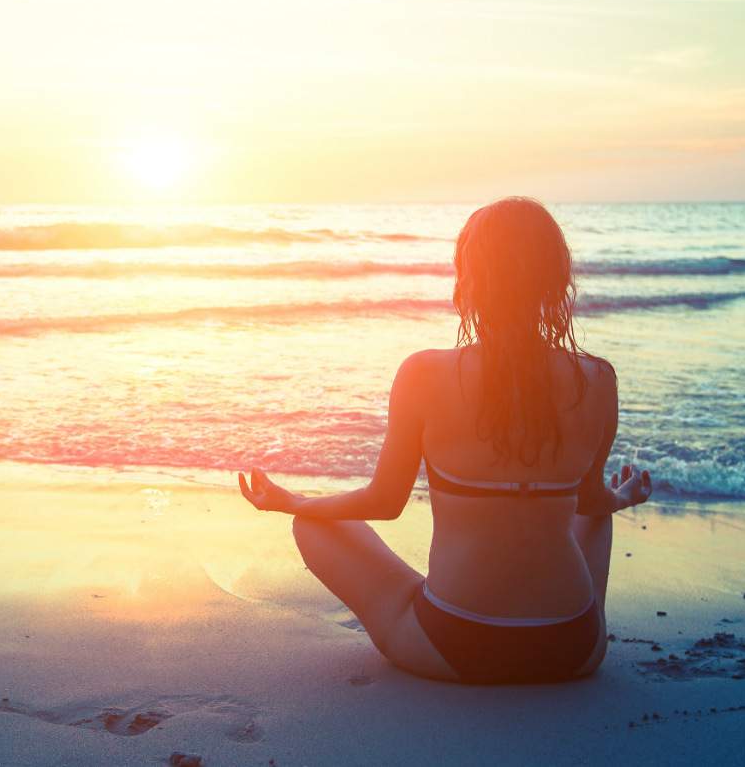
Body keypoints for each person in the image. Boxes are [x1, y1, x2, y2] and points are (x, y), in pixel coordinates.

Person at [237, 196, 653, 684]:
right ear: (556, 281)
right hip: (573, 649)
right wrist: (622, 498)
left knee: (311, 523)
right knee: (597, 514)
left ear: (471, 281)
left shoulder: (424, 374)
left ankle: (434, 596)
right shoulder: (597, 379)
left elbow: (384, 502)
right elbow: (590, 500)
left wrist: (292, 501)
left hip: (456, 644)